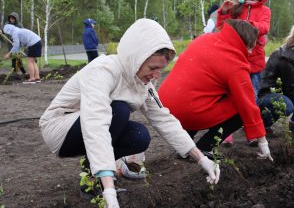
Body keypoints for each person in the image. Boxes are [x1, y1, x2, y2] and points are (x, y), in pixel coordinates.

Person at [39, 19, 220, 208]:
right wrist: (109, 190)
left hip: (89, 126)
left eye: (161, 69)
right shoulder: (104, 70)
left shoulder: (142, 82)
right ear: (136, 58)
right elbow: (96, 122)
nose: (156, 75)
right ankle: (98, 180)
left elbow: (164, 119)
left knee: (140, 136)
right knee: (119, 110)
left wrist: (202, 159)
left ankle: (95, 171)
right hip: (59, 128)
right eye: (152, 68)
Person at [158, 19, 274, 161]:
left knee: (201, 94)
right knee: (240, 108)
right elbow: (248, 105)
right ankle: (205, 147)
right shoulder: (235, 62)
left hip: (164, 104)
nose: (249, 52)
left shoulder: (204, 39)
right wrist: (262, 141)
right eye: (250, 47)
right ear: (242, 41)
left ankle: (185, 146)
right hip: (189, 111)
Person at [216, 0, 271, 146]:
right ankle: (226, 134)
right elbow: (222, 26)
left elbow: (264, 27)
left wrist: (245, 25)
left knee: (251, 98)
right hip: (234, 60)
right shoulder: (236, 9)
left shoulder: (265, 11)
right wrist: (224, 12)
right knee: (229, 96)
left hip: (254, 63)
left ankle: (252, 132)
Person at [2, 12, 27, 76]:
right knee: (14, 57)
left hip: (18, 43)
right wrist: (1, 31)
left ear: (16, 19)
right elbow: (4, 31)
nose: (12, 20)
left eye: (13, 19)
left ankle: (20, 72)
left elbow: (22, 34)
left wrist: (18, 43)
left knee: (16, 57)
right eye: (11, 18)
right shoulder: (7, 24)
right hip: (10, 43)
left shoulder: (19, 25)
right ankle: (18, 72)